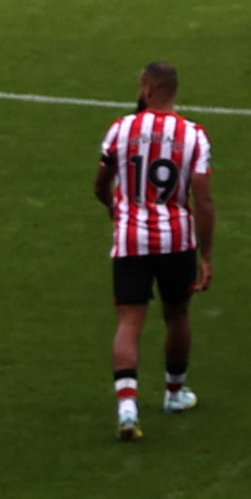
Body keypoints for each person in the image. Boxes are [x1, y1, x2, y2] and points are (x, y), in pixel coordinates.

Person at [97, 63, 213, 440]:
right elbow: (204, 199)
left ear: (147, 89)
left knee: (129, 323)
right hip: (177, 239)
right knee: (177, 315)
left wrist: (117, 210)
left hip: (131, 238)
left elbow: (100, 184)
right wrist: (206, 255)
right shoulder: (194, 135)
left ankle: (127, 406)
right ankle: (175, 393)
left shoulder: (121, 129)